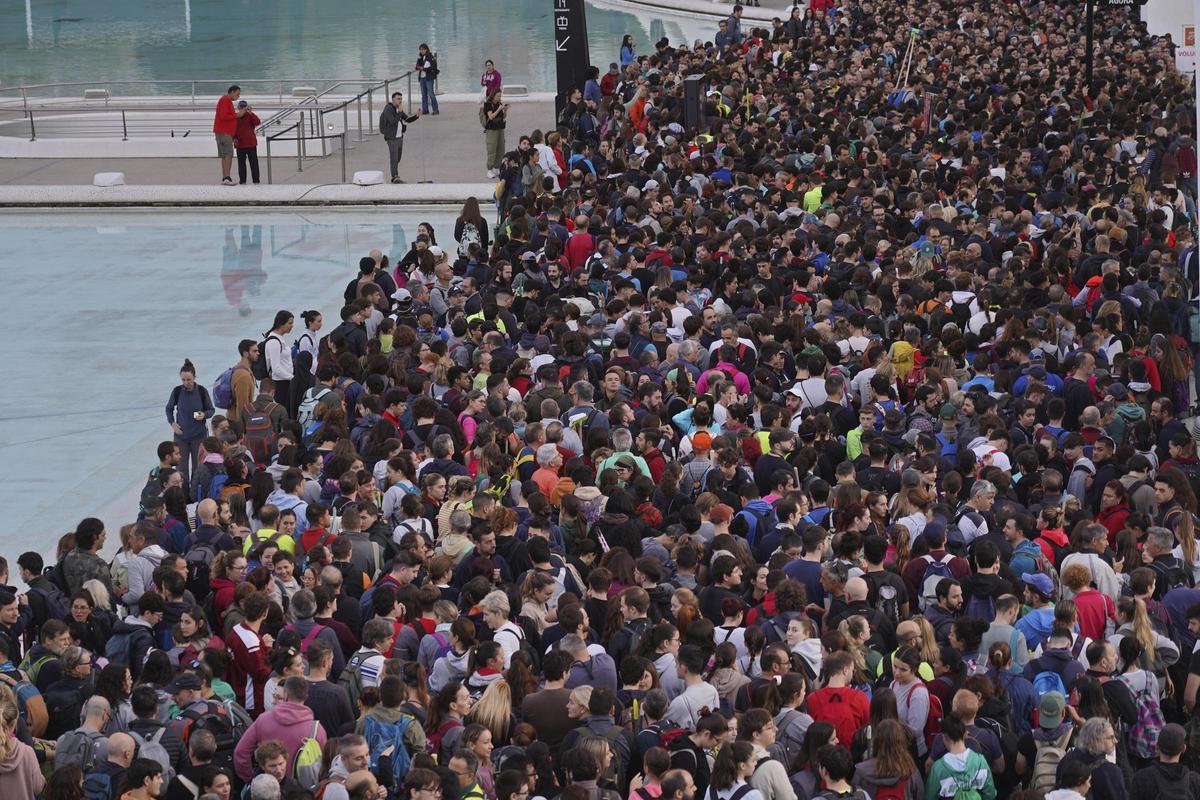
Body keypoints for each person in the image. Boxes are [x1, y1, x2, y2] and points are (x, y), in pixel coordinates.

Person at [379, 92, 421, 184]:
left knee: (398, 158)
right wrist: (399, 112)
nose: (400, 101)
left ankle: (394, 173)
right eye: (398, 99)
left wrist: (416, 116)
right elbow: (393, 122)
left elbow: (407, 119)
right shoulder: (388, 109)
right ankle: (395, 177)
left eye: (401, 99)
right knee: (394, 158)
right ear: (393, 99)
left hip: (399, 137)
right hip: (391, 138)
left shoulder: (398, 109)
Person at [212, 85, 243, 186]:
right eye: (237, 94)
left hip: (225, 132)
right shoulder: (225, 100)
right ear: (232, 92)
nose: (238, 96)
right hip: (224, 132)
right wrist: (237, 115)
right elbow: (224, 116)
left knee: (225, 155)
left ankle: (226, 177)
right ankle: (226, 177)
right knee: (228, 154)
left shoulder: (225, 100)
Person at [233, 100, 262, 185]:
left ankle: (256, 180)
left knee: (254, 163)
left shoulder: (250, 116)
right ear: (238, 108)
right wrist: (233, 138)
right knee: (241, 164)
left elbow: (257, 122)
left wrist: (251, 113)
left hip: (250, 143)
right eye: (241, 107)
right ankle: (242, 180)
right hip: (240, 144)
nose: (242, 109)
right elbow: (233, 128)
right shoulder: (236, 117)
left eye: (244, 107)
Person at [483, 90, 508, 179]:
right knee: (492, 149)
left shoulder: (499, 103)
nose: (499, 98)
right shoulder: (488, 104)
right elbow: (491, 116)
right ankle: (489, 169)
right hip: (492, 130)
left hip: (500, 128)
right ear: (493, 96)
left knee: (501, 148)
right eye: (497, 96)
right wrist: (499, 109)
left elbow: (503, 117)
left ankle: (497, 167)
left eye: (500, 96)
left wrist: (505, 110)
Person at [415, 44, 440, 115]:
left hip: (428, 78)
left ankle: (435, 110)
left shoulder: (431, 57)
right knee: (423, 94)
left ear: (426, 49)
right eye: (420, 49)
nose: (422, 51)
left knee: (431, 94)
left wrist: (424, 69)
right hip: (422, 78)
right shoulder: (420, 58)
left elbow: (433, 67)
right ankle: (425, 110)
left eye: (423, 49)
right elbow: (416, 67)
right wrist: (420, 68)